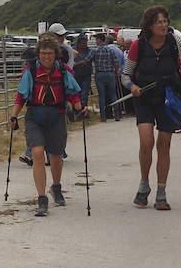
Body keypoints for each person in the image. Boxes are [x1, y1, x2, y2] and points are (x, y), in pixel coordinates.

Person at [122, 5, 181, 210]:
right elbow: (125, 75)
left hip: (169, 99)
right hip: (144, 99)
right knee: (146, 141)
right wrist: (133, 86)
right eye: (159, 22)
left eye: (165, 21)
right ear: (150, 25)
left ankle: (161, 192)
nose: (163, 25)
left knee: (164, 144)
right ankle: (144, 184)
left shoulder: (176, 44)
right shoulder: (139, 45)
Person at [8, 38, 85, 216]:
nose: (46, 57)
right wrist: (14, 115)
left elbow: (73, 94)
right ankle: (42, 198)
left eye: (50, 53)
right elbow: (21, 96)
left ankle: (56, 187)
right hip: (34, 117)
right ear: (38, 54)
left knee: (56, 157)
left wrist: (80, 108)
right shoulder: (31, 71)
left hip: (56, 117)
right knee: (37, 154)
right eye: (43, 53)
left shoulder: (63, 71)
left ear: (55, 54)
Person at [89, 32, 125, 121]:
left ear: (99, 40)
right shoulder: (111, 50)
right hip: (110, 73)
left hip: (100, 74)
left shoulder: (95, 50)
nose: (96, 41)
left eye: (96, 39)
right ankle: (116, 114)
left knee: (102, 96)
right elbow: (116, 62)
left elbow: (88, 59)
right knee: (113, 94)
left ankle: (103, 116)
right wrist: (116, 71)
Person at [72, 34, 94, 100]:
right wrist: (81, 63)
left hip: (86, 75)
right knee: (76, 92)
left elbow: (87, 61)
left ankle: (83, 107)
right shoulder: (73, 50)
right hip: (75, 75)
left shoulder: (89, 51)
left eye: (85, 42)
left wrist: (77, 63)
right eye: (82, 43)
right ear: (78, 43)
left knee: (84, 93)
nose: (84, 44)